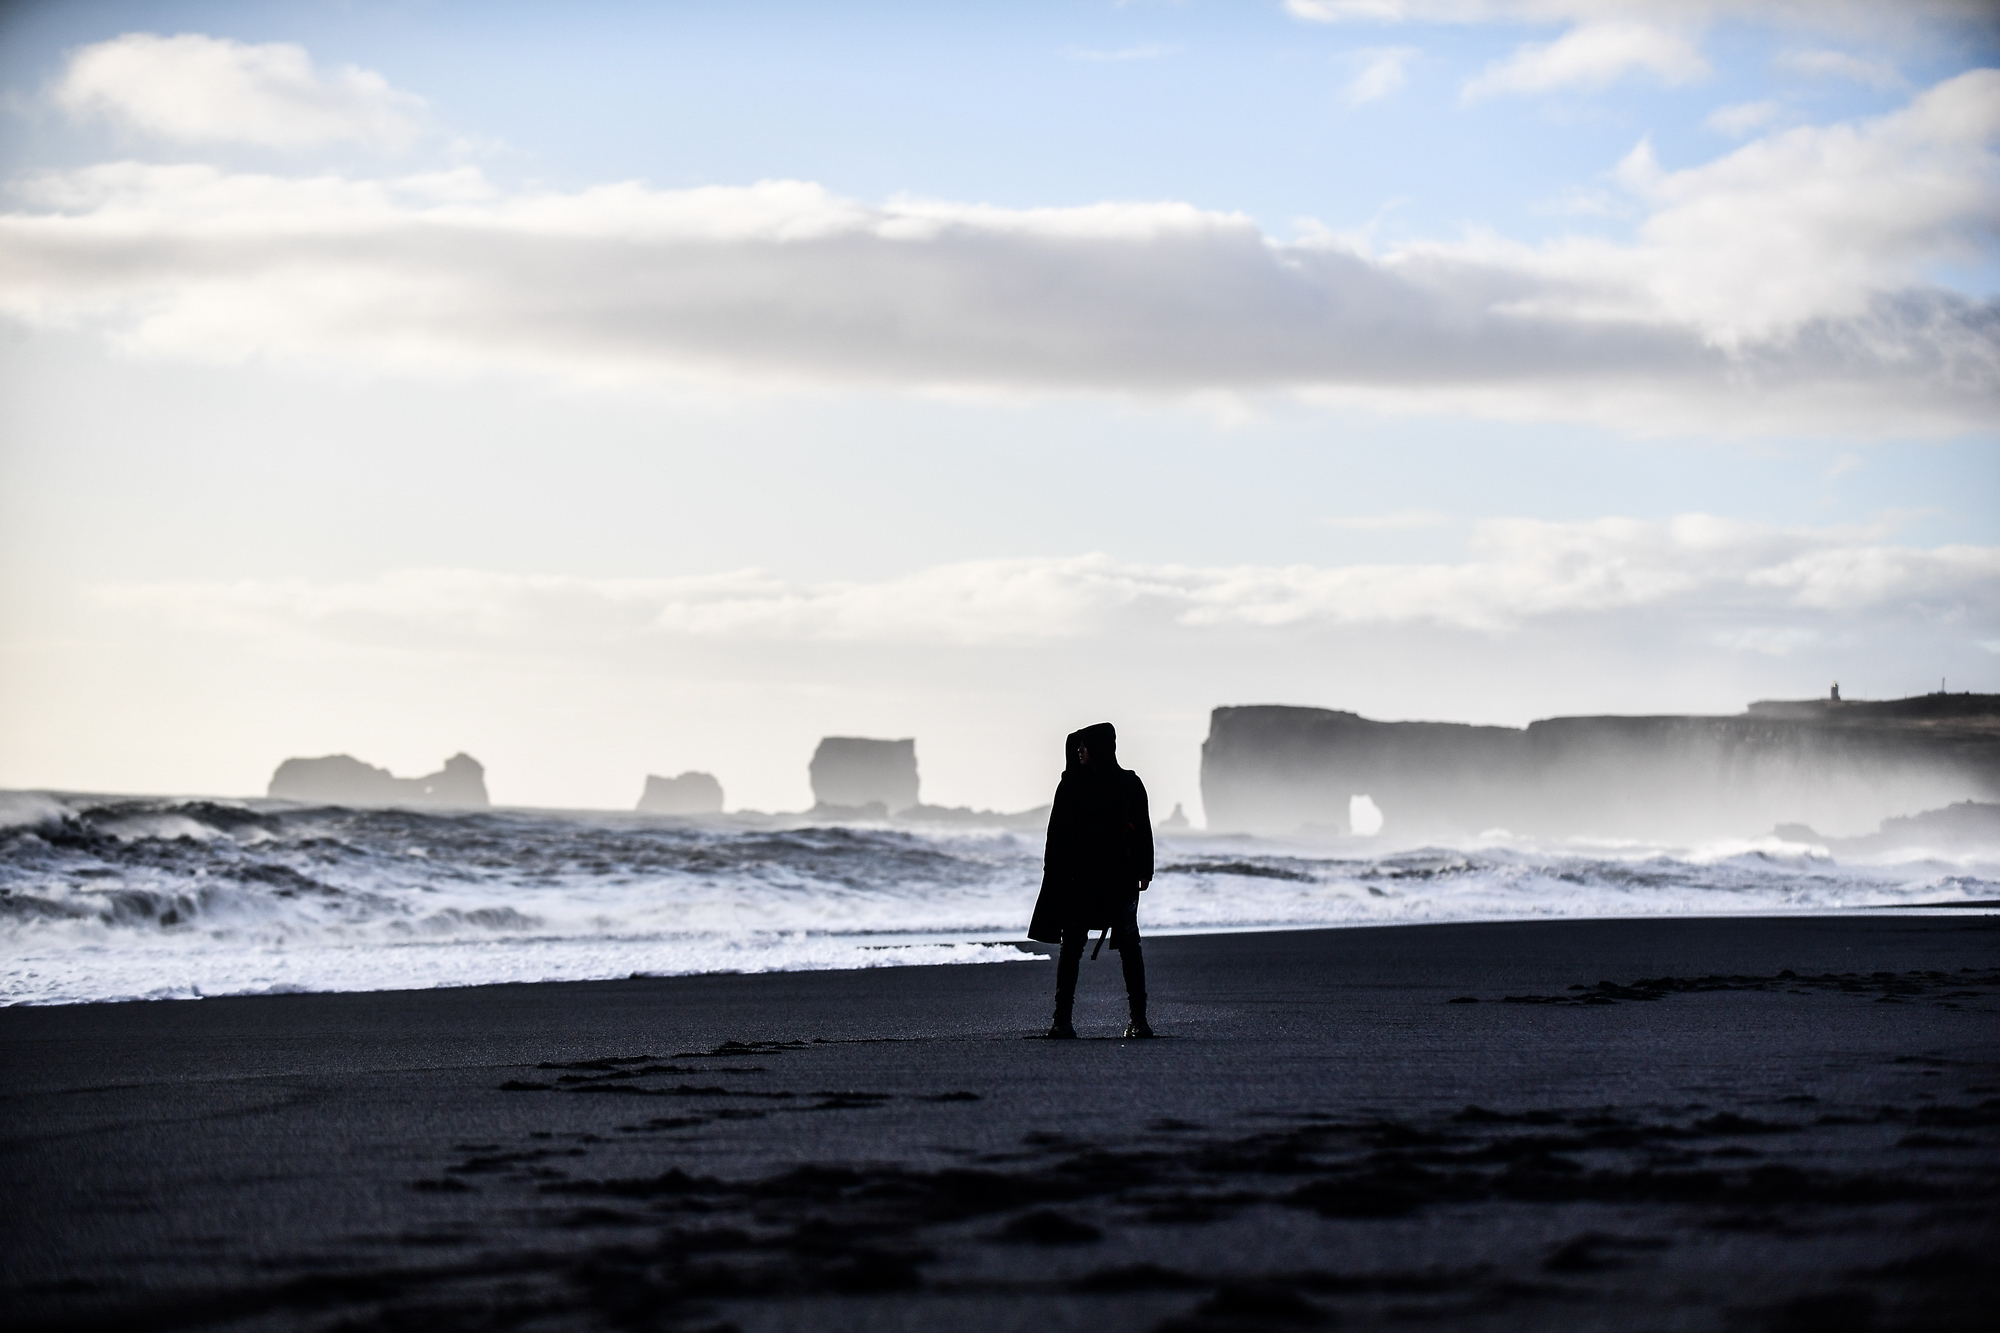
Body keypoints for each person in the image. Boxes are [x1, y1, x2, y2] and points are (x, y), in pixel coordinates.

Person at [1027, 722, 1154, 1038]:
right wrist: (1053, 874)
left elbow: (1142, 828)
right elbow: (1055, 836)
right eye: (1078, 746)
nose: (1079, 750)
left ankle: (1139, 1021)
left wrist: (1145, 869)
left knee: (1128, 945)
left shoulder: (1128, 783)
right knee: (1071, 946)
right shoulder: (1071, 785)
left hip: (1118, 878)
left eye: (1085, 746)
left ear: (1101, 747)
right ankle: (1062, 1021)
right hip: (1078, 879)